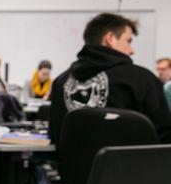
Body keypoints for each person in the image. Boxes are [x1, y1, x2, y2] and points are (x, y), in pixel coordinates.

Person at [49, 13, 171, 145]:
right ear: (110, 38)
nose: (131, 50)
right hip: (133, 164)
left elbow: (56, 137)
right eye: (128, 41)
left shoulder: (60, 82)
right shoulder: (144, 80)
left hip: (75, 165)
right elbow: (165, 138)